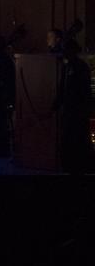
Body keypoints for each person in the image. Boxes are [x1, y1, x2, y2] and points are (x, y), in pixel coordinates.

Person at [55, 38, 92, 175]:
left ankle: (79, 166)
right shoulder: (67, 66)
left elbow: (84, 91)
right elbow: (62, 89)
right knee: (69, 138)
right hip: (70, 109)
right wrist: (57, 104)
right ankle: (70, 165)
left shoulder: (80, 67)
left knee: (77, 138)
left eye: (65, 49)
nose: (63, 52)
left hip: (78, 110)